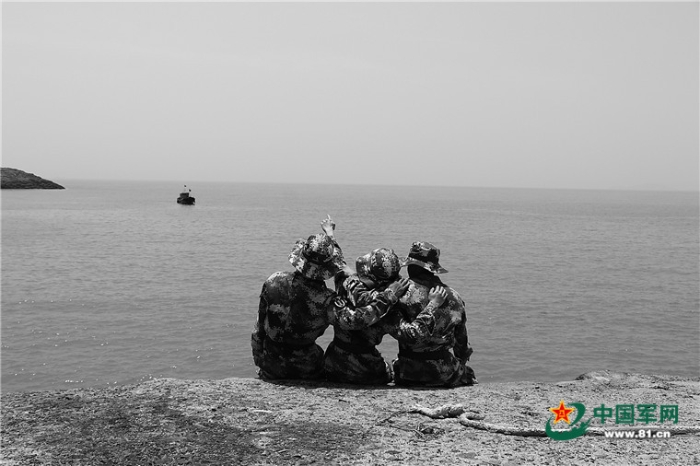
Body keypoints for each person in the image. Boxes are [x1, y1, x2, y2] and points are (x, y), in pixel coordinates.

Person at [251, 217, 409, 380]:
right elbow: (356, 320)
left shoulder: (273, 281)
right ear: (326, 269)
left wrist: (259, 359)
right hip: (305, 368)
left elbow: (258, 327)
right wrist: (389, 296)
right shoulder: (326, 300)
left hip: (270, 361)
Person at [324, 248, 449, 385]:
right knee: (391, 368)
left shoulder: (347, 283)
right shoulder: (388, 307)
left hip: (332, 362)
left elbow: (339, 263)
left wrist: (330, 234)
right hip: (365, 371)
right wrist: (433, 304)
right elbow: (412, 334)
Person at [390, 241, 477, 387]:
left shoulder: (400, 293)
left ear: (410, 266)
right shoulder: (454, 296)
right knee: (468, 373)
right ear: (432, 269)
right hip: (444, 374)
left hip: (407, 373)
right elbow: (461, 344)